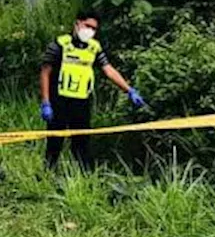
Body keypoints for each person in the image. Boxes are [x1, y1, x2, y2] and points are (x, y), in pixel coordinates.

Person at [39, 10, 144, 171]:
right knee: (54, 142)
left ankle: (85, 177)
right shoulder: (60, 44)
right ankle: (47, 174)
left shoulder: (94, 48)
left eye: (94, 29)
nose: (90, 31)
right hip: (58, 100)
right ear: (77, 23)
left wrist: (129, 90)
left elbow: (108, 70)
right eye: (87, 26)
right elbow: (45, 72)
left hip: (81, 101)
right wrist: (46, 102)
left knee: (81, 143)